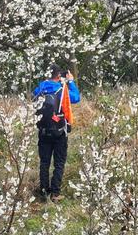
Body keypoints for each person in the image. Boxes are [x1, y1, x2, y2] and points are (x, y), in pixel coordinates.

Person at [33, 64, 80, 202]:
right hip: (59, 132)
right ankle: (55, 193)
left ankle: (43, 192)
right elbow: (76, 98)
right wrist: (70, 81)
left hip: (43, 131)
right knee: (59, 162)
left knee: (44, 162)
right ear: (59, 76)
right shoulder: (62, 89)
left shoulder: (39, 90)